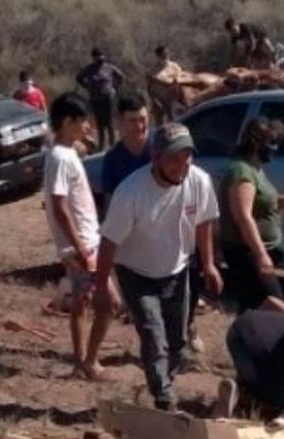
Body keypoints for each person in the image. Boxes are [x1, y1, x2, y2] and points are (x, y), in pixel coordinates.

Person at [94, 122, 223, 411]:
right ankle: (164, 397)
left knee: (177, 339)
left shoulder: (198, 181)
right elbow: (109, 241)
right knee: (153, 334)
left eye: (187, 157)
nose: (182, 165)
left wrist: (209, 264)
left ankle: (163, 380)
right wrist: (102, 285)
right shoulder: (131, 192)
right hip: (136, 272)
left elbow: (204, 222)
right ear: (156, 159)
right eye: (174, 158)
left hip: (177, 269)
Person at [44, 92, 117, 380]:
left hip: (85, 240)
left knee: (81, 301)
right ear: (66, 122)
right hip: (82, 243)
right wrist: (79, 247)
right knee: (107, 302)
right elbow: (60, 207)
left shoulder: (64, 154)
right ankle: (89, 361)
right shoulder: (61, 158)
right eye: (81, 121)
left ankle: (82, 361)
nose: (86, 127)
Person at [219, 117, 284, 314]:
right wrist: (261, 255)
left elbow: (260, 201)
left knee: (252, 307)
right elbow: (243, 215)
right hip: (246, 254)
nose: (275, 148)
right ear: (256, 143)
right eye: (271, 143)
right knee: (275, 306)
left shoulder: (255, 170)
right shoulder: (242, 172)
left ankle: (245, 340)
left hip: (255, 252)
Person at [101, 92, 151, 212]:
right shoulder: (113, 159)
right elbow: (109, 201)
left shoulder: (160, 150)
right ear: (121, 122)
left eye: (143, 119)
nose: (139, 126)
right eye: (133, 121)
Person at [76, 48, 126, 150]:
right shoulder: (89, 69)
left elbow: (121, 76)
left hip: (108, 97)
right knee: (100, 123)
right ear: (93, 58)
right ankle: (102, 145)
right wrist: (88, 86)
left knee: (110, 121)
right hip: (96, 98)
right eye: (98, 56)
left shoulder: (109, 67)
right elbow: (79, 77)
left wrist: (115, 88)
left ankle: (113, 144)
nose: (100, 58)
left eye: (101, 55)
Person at [148, 45, 184, 123]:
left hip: (172, 99)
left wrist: (164, 81)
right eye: (163, 54)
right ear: (158, 56)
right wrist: (154, 100)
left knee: (173, 120)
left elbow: (180, 80)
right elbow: (149, 87)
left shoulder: (175, 67)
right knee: (159, 123)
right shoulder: (153, 70)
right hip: (158, 100)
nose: (166, 56)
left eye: (167, 53)